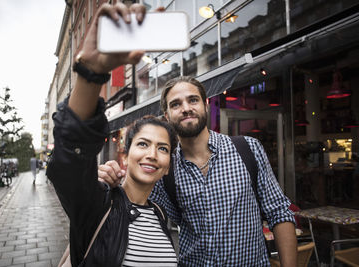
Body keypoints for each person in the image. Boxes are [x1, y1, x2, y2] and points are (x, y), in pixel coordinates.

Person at [99, 75, 298, 266]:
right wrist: (110, 179)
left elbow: (279, 213)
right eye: (176, 104)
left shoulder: (247, 149)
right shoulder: (165, 169)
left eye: (193, 100)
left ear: (205, 105)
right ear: (167, 116)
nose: (186, 108)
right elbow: (132, 202)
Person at [46, 3, 179, 266]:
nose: (152, 154)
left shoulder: (161, 216)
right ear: (126, 156)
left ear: (167, 167)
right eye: (143, 144)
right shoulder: (97, 204)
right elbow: (69, 161)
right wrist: (91, 74)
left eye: (163, 149)